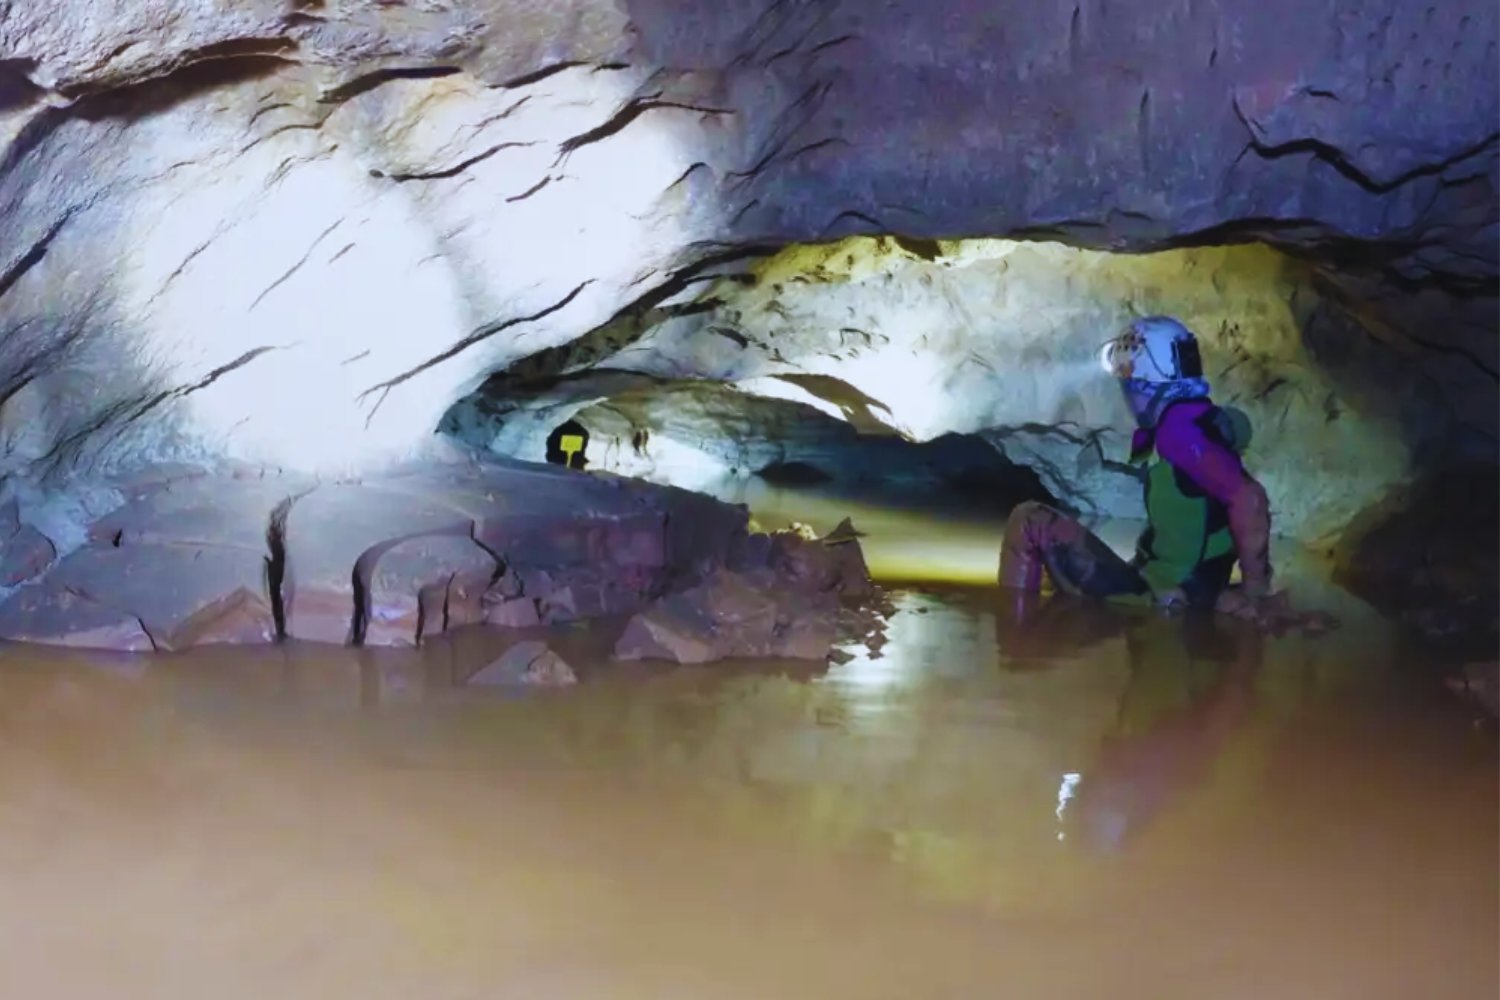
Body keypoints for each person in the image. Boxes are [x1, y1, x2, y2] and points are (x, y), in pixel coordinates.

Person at [998, 315, 1331, 632]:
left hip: (1161, 595)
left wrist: (1255, 591)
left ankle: (1014, 634)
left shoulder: (1179, 432)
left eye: (1128, 381)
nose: (1127, 393)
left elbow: (1249, 498)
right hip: (1178, 587)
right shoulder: (1198, 420)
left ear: (1143, 381)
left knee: (1028, 520)